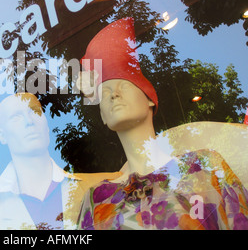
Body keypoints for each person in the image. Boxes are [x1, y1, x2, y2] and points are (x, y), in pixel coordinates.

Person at [76, 17, 248, 230]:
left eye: (124, 85)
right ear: (102, 116)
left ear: (150, 98)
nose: (113, 95)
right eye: (104, 92)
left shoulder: (204, 167)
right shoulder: (96, 201)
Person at [0, 92, 119, 230]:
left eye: (35, 112)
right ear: (2, 136)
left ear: (46, 124)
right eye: (16, 117)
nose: (29, 121)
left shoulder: (103, 186)